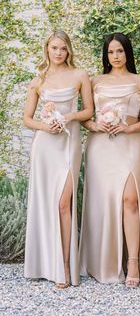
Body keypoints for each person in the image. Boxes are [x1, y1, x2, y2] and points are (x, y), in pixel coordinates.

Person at [79, 32, 140, 287]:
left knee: (130, 199)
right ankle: (106, 261)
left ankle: (132, 261)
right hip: (101, 147)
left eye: (120, 51)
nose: (116, 56)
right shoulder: (94, 80)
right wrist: (95, 126)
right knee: (106, 204)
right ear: (105, 55)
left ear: (127, 52)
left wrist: (130, 129)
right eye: (111, 52)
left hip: (130, 143)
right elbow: (84, 116)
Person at [24, 30, 93, 288]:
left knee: (64, 202)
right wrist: (46, 126)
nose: (59, 53)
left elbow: (88, 110)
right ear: (47, 49)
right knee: (49, 204)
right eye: (54, 48)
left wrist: (68, 117)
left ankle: (65, 264)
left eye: (63, 48)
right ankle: (50, 263)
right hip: (45, 147)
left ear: (69, 50)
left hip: (69, 144)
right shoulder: (38, 80)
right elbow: (28, 118)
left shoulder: (80, 76)